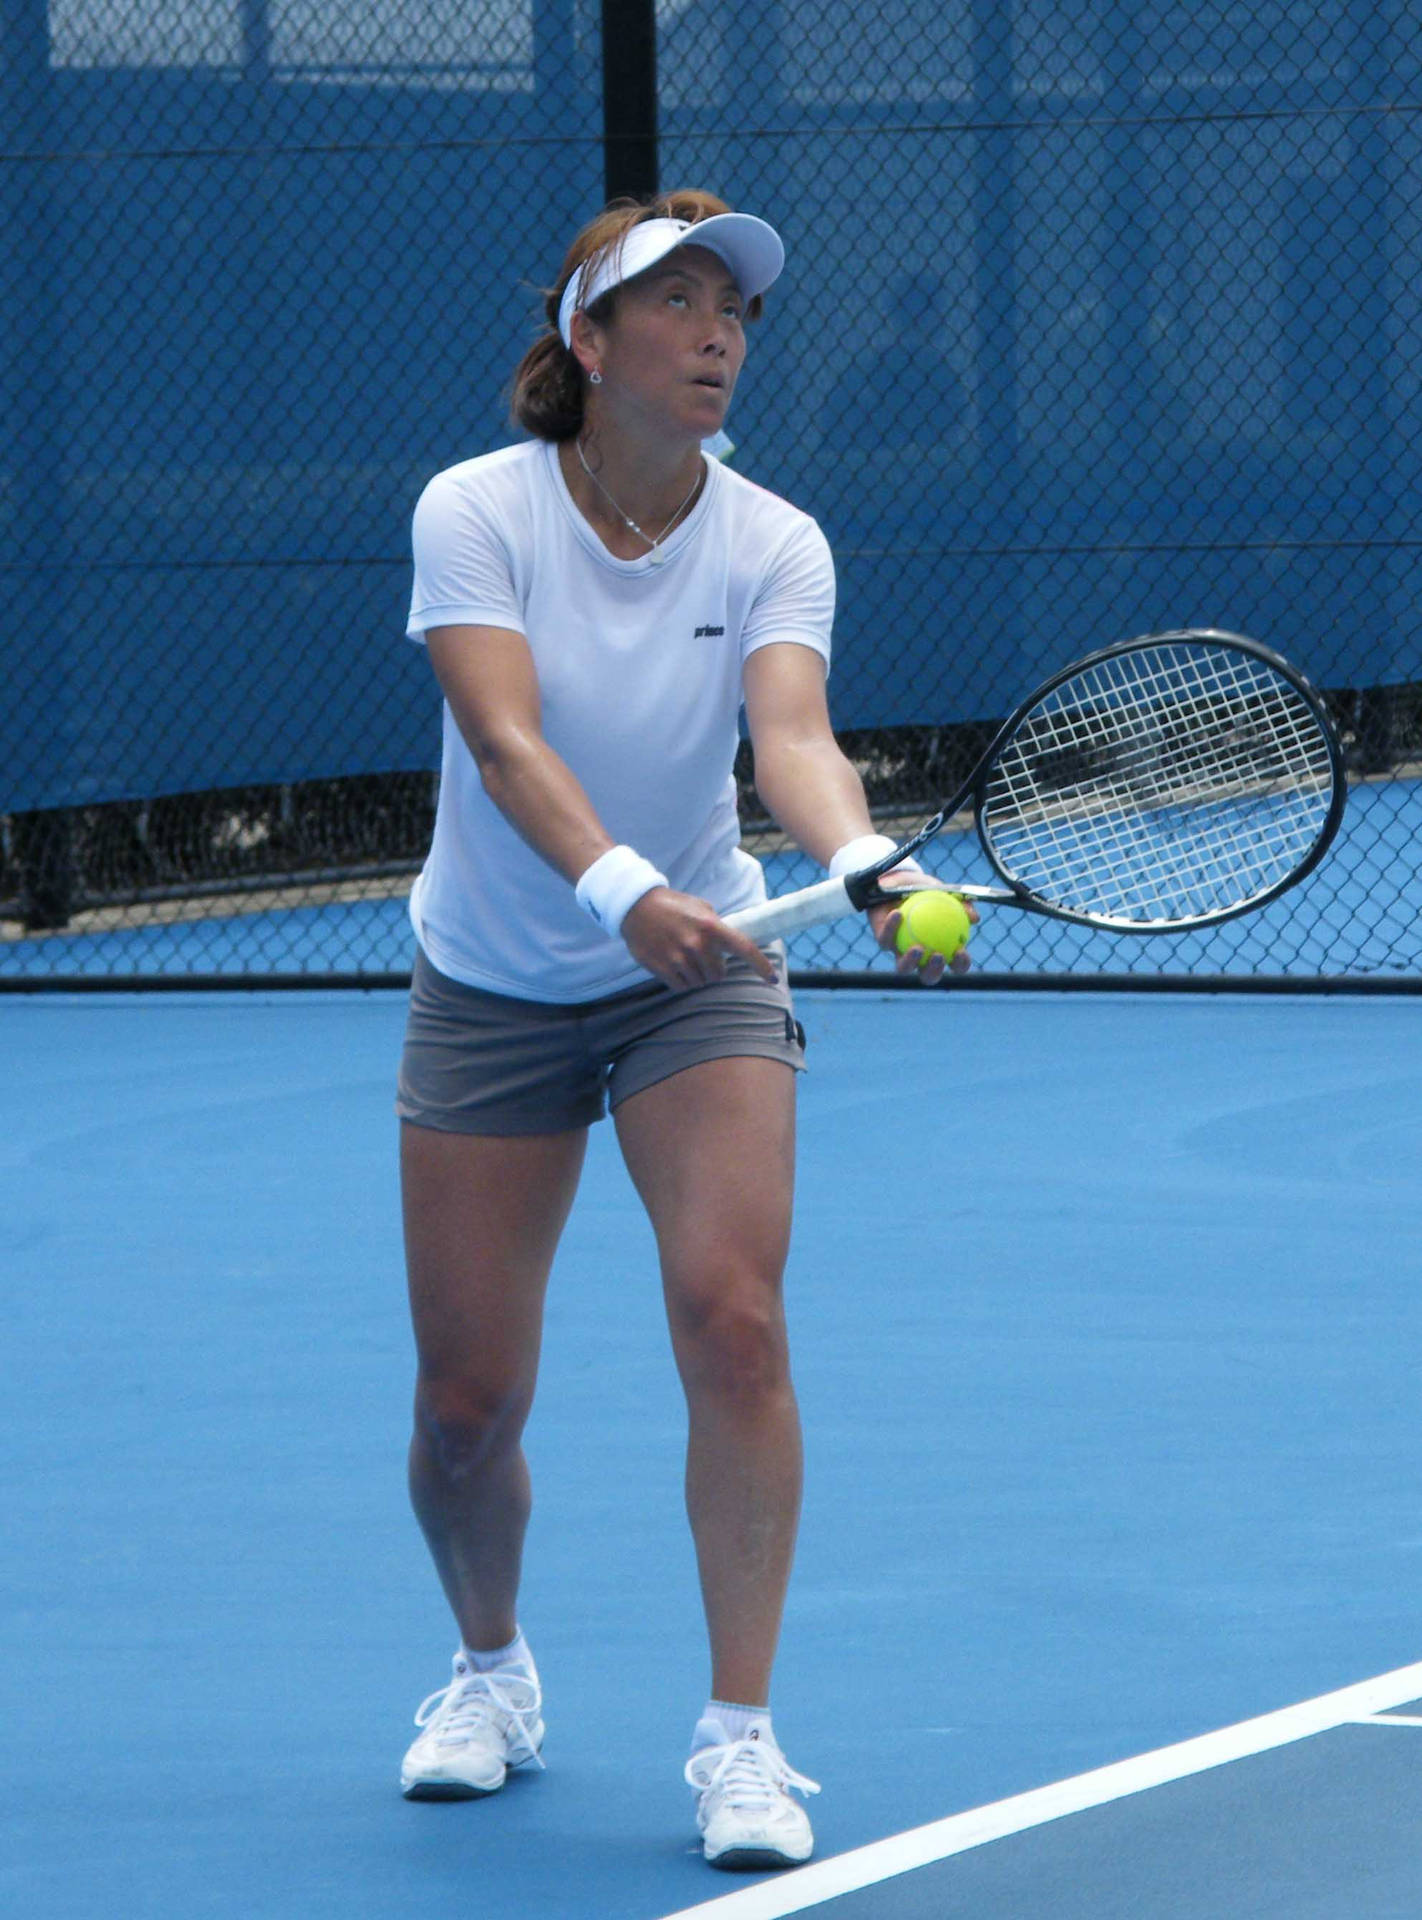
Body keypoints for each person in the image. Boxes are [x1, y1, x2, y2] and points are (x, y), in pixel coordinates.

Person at [393, 188, 966, 1872]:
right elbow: (502, 741)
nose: (719, 332)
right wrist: (622, 889)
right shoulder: (474, 509)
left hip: (699, 981)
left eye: (737, 309)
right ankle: (489, 1672)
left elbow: (789, 739)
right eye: (681, 302)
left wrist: (856, 859)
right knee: (462, 1408)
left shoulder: (774, 537)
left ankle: (740, 1737)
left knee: (732, 1324)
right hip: (499, 972)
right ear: (588, 342)